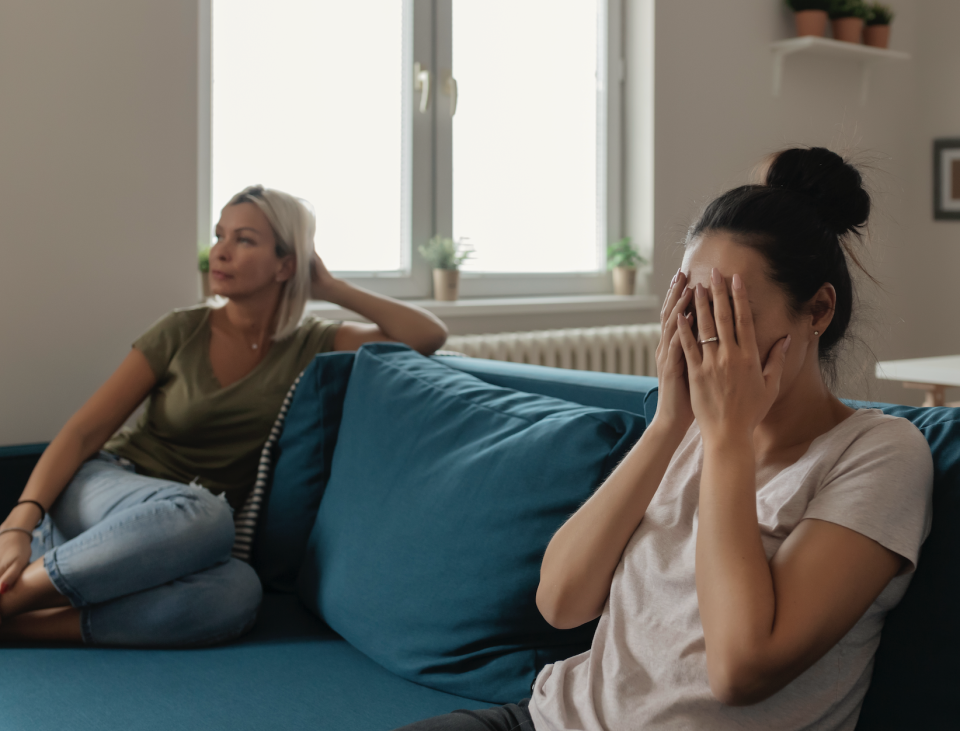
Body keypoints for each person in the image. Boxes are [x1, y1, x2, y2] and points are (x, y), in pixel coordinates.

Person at [396, 148, 934, 730]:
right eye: (693, 311)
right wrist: (668, 424)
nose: (707, 341)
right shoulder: (687, 431)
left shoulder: (878, 455)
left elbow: (738, 670)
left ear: (818, 310)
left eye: (732, 316)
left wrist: (727, 438)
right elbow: (560, 602)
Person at [0, 184, 448, 646]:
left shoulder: (317, 342)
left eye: (244, 240)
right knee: (208, 514)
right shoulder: (182, 329)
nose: (221, 252)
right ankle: (8, 601)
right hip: (107, 487)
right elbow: (81, 432)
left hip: (179, 534)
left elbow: (428, 335)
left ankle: (15, 628)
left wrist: (330, 286)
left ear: (286, 264)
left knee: (236, 592)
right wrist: (19, 522)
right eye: (219, 236)